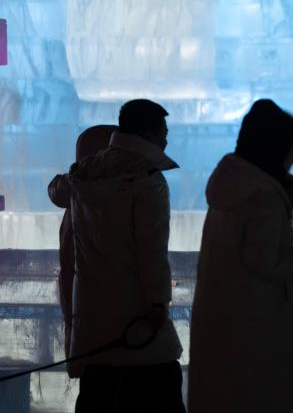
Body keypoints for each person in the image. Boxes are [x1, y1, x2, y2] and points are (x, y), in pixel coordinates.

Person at [188, 99, 293, 412]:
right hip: (258, 322)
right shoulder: (264, 196)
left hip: (222, 315)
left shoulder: (231, 183)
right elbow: (266, 263)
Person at [56, 100, 184, 413]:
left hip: (93, 322)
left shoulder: (82, 176)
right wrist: (158, 304)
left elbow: (56, 191)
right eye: (163, 134)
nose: (166, 141)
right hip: (137, 322)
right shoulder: (148, 180)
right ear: (150, 135)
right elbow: (151, 252)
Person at [48, 124, 118, 373]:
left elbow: (55, 191)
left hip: (83, 315)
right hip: (114, 325)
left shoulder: (75, 192)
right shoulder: (109, 196)